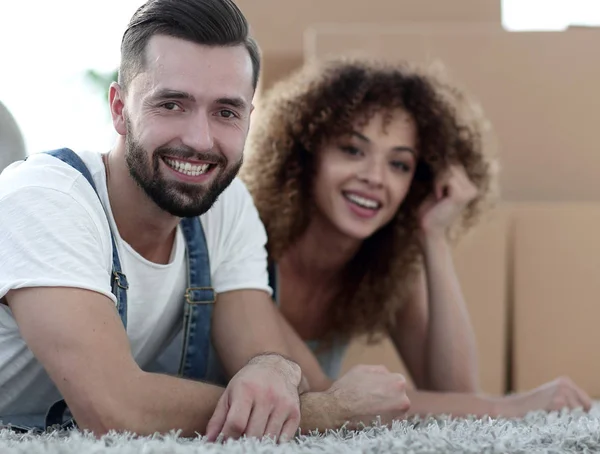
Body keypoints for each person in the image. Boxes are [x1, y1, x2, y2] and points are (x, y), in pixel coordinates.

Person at [0, 0, 412, 441]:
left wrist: (274, 367)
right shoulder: (47, 198)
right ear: (119, 109)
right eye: (173, 104)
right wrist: (330, 412)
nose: (200, 140)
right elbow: (114, 406)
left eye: (226, 112)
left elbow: (262, 360)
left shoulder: (226, 205)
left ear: (249, 119)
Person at [240, 56, 593, 419]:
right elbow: (319, 393)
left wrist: (434, 236)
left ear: (416, 183)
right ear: (305, 155)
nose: (375, 177)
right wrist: (511, 406)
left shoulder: (383, 265)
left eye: (399, 164)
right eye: (352, 150)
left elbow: (455, 393)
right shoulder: (246, 241)